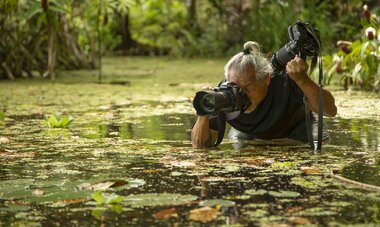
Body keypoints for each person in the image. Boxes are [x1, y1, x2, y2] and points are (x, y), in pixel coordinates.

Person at [191, 41, 337, 148]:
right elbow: (201, 147)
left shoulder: (286, 81)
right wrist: (203, 113)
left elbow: (330, 110)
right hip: (248, 134)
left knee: (319, 148)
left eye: (248, 87)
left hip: (296, 130)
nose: (241, 94)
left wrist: (303, 80)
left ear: (266, 79)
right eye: (235, 87)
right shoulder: (224, 95)